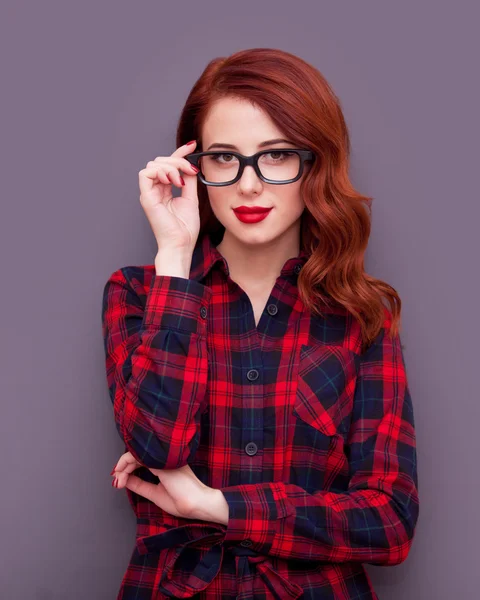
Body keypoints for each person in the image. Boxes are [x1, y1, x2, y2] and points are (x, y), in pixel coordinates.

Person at [101, 47, 420, 600]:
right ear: (195, 169)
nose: (249, 185)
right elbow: (159, 446)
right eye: (225, 158)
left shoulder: (361, 315)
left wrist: (217, 507)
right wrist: (174, 261)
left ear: (314, 163)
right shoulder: (137, 294)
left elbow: (389, 522)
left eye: (275, 156)